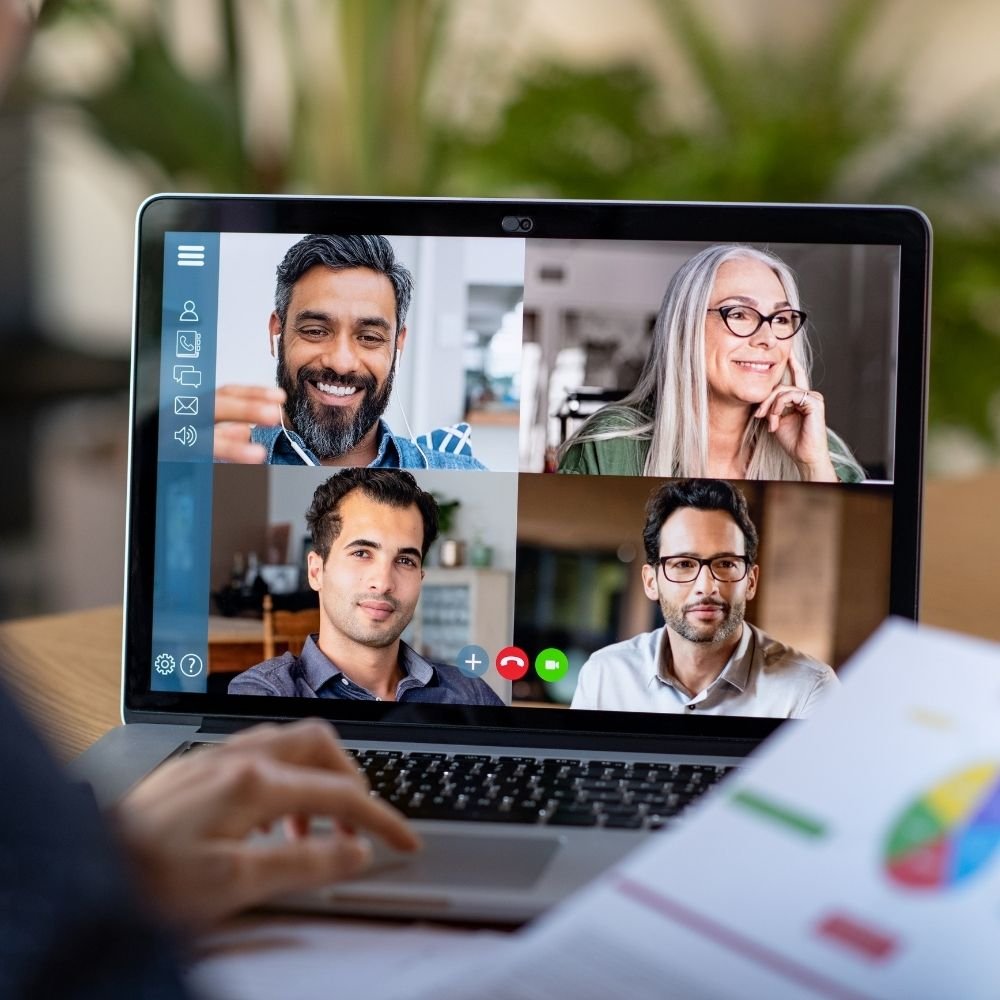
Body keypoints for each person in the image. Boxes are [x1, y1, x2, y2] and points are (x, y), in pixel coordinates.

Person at [558, 244, 865, 482]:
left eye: (782, 319)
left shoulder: (824, 452)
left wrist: (813, 468)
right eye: (739, 314)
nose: (768, 338)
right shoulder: (609, 447)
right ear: (685, 328)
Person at [230, 469, 504, 705]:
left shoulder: (470, 695)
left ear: (420, 579)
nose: (383, 583)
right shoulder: (266, 693)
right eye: (361, 553)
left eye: (405, 560)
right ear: (316, 571)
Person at [213, 233, 485, 470]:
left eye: (369, 337)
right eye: (315, 331)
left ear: (397, 344)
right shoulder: (208, 465)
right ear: (277, 331)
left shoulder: (464, 479)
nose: (341, 363)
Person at [571, 479, 838, 717]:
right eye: (684, 564)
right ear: (651, 582)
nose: (706, 587)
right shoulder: (605, 675)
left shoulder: (808, 690)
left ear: (751, 581)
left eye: (726, 564)